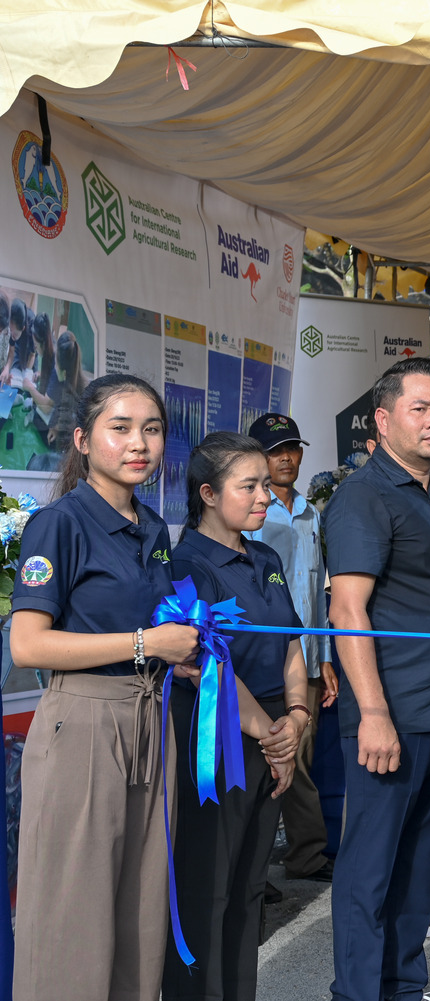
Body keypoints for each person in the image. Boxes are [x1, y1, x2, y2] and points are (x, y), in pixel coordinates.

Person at [9, 374, 201, 1001]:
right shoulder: (57, 525)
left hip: (151, 721)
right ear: (83, 439)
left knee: (140, 912)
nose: (138, 443)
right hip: (83, 727)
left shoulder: (154, 528)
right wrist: (146, 645)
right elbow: (28, 645)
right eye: (120, 428)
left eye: (151, 429)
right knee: (73, 917)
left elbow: (146, 627)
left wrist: (177, 658)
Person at [323, 357, 430, 1001]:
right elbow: (346, 609)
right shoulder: (363, 496)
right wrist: (374, 714)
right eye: (420, 409)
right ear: (383, 421)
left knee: (419, 872)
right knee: (369, 874)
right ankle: (359, 993)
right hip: (389, 719)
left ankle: (402, 987)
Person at [162, 432, 310, 1001]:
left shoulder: (267, 556)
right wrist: (271, 735)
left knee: (251, 885)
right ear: (207, 493)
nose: (265, 498)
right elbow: (200, 664)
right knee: (209, 887)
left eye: (266, 485)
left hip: (275, 728)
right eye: (249, 486)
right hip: (218, 732)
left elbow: (292, 642)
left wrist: (295, 718)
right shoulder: (186, 565)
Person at [247, 412, 339, 884]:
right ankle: (259, 872)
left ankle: (304, 855)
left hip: (305, 659)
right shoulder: (250, 515)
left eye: (292, 448)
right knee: (269, 764)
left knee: (299, 760)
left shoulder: (310, 514)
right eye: (275, 449)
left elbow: (316, 592)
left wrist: (324, 660)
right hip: (261, 660)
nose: (286, 457)